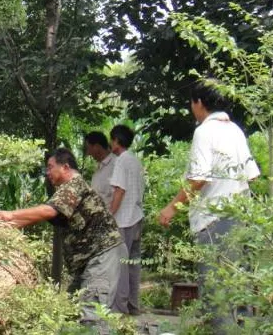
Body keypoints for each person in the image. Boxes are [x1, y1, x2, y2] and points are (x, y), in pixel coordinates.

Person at [158, 81, 260, 332]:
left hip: (215, 223)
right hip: (240, 218)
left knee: (218, 296)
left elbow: (199, 179)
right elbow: (252, 175)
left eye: (192, 103)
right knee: (239, 293)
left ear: (199, 103)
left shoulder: (204, 131)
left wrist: (172, 207)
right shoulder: (234, 130)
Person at [0, 148, 126, 312]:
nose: (47, 173)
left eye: (50, 167)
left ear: (65, 167)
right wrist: (6, 223)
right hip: (89, 260)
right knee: (70, 314)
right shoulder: (65, 190)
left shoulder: (75, 185)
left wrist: (10, 214)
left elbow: (49, 210)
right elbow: (42, 216)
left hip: (101, 255)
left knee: (92, 315)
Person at [108, 125, 145, 315]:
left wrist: (109, 214)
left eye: (111, 140)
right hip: (137, 216)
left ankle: (120, 307)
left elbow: (119, 190)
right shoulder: (136, 161)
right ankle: (133, 304)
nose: (110, 143)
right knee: (133, 264)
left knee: (121, 264)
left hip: (123, 219)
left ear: (116, 141)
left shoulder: (121, 161)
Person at [83, 131, 115, 208]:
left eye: (89, 148)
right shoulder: (98, 170)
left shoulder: (117, 165)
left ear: (97, 146)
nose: (88, 153)